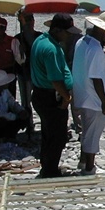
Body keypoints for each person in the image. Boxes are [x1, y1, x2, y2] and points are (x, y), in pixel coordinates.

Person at [73, 11, 105, 175]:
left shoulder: (82, 42)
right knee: (93, 134)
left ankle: (82, 161)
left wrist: (103, 45)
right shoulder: (94, 49)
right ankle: (89, 167)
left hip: (81, 94)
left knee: (86, 131)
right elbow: (96, 78)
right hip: (93, 98)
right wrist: (104, 102)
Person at [30, 13, 79, 178]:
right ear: (57, 30)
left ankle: (48, 166)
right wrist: (67, 98)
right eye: (67, 32)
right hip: (50, 96)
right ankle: (50, 170)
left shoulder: (41, 40)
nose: (69, 35)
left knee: (48, 133)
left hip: (40, 94)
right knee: (57, 136)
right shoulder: (51, 48)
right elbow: (56, 80)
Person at [14, 11, 43, 135]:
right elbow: (18, 59)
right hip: (24, 74)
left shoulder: (40, 36)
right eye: (26, 19)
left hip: (38, 74)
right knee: (26, 101)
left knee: (41, 100)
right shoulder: (17, 39)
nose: (29, 22)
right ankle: (29, 125)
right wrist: (22, 52)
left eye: (31, 19)